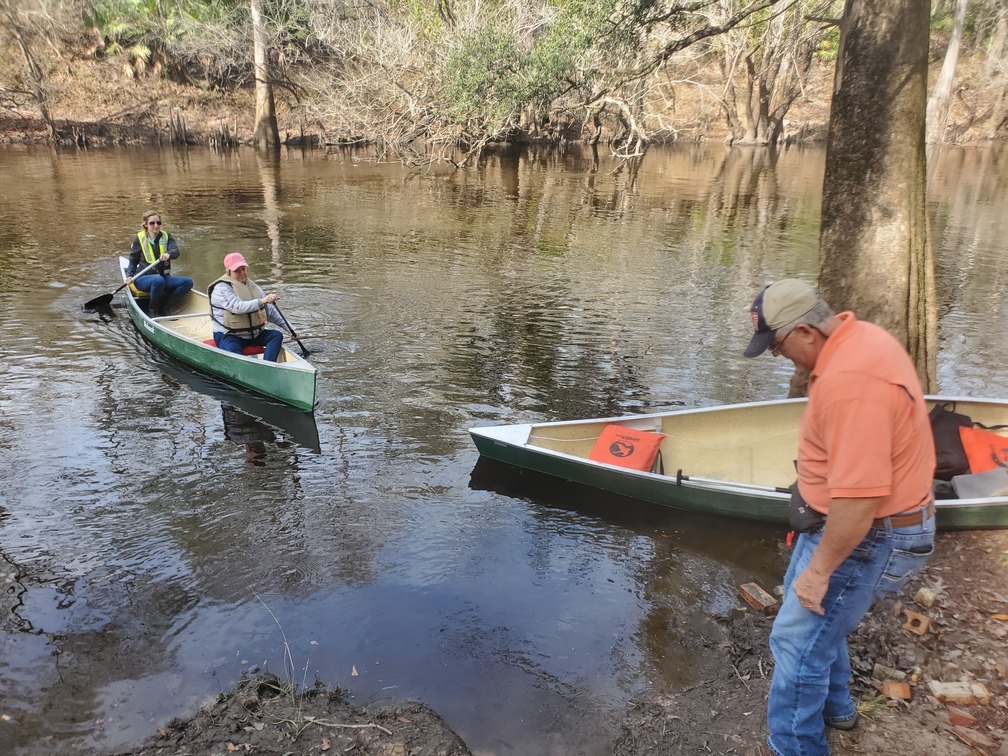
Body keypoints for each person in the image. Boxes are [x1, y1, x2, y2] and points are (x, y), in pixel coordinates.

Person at [742, 279, 936, 756]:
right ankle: (837, 708)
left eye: (778, 345)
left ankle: (794, 747)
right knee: (819, 626)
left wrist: (819, 571)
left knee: (795, 643)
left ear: (806, 331)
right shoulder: (861, 338)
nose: (777, 356)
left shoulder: (852, 387)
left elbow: (860, 502)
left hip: (864, 533)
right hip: (852, 525)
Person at [207, 252, 296, 363]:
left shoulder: (254, 287)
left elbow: (270, 312)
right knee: (233, 350)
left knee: (276, 336)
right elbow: (237, 307)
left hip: (254, 335)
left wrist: (291, 329)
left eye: (243, 269)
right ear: (229, 271)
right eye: (237, 271)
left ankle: (268, 366)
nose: (242, 273)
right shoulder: (221, 288)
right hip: (229, 335)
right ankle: (245, 369)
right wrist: (263, 300)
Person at [124, 210, 194, 317]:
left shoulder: (166, 236)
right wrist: (129, 275)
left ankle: (165, 307)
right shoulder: (139, 239)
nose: (156, 226)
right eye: (152, 223)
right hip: (143, 278)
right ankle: (152, 310)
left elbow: (175, 251)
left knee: (187, 282)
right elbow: (133, 260)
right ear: (146, 225)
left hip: (163, 277)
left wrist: (168, 254)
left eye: (158, 223)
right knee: (158, 280)